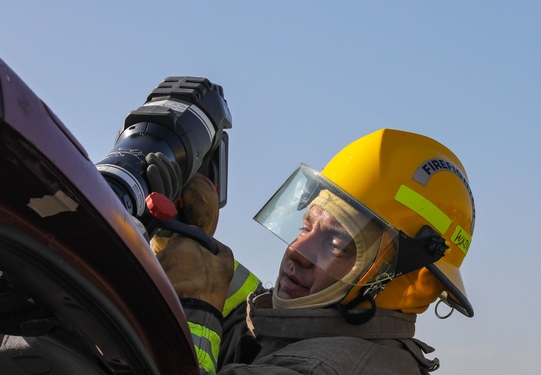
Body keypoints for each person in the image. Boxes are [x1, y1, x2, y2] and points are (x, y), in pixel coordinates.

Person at [154, 128, 476, 374]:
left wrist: (194, 307)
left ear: (401, 283)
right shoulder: (318, 334)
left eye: (336, 243)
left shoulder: (325, 368)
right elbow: (250, 329)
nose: (296, 251)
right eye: (306, 227)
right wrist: (184, 240)